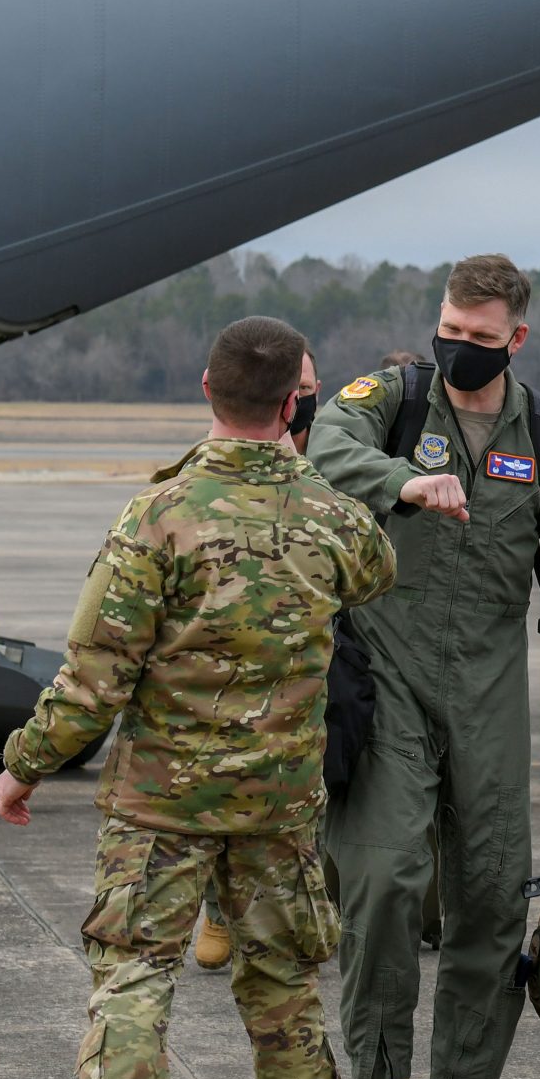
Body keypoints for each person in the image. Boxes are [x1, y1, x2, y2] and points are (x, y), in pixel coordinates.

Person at [0, 317, 395, 1079]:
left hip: (160, 808)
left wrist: (27, 762)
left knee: (133, 979)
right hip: (279, 804)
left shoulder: (159, 514)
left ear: (206, 388)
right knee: (284, 984)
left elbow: (96, 672)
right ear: (294, 402)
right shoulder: (336, 519)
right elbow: (378, 573)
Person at [308, 255, 540, 1079]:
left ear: (516, 339)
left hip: (490, 687)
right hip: (388, 672)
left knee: (491, 894)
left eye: (481, 337)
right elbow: (328, 442)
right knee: (381, 879)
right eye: (451, 326)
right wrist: (401, 481)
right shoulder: (395, 396)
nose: (459, 346)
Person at [194, 349, 325, 975]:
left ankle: (298, 909)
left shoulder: (333, 460)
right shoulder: (204, 477)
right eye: (291, 385)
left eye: (307, 384)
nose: (297, 396)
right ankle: (221, 907)